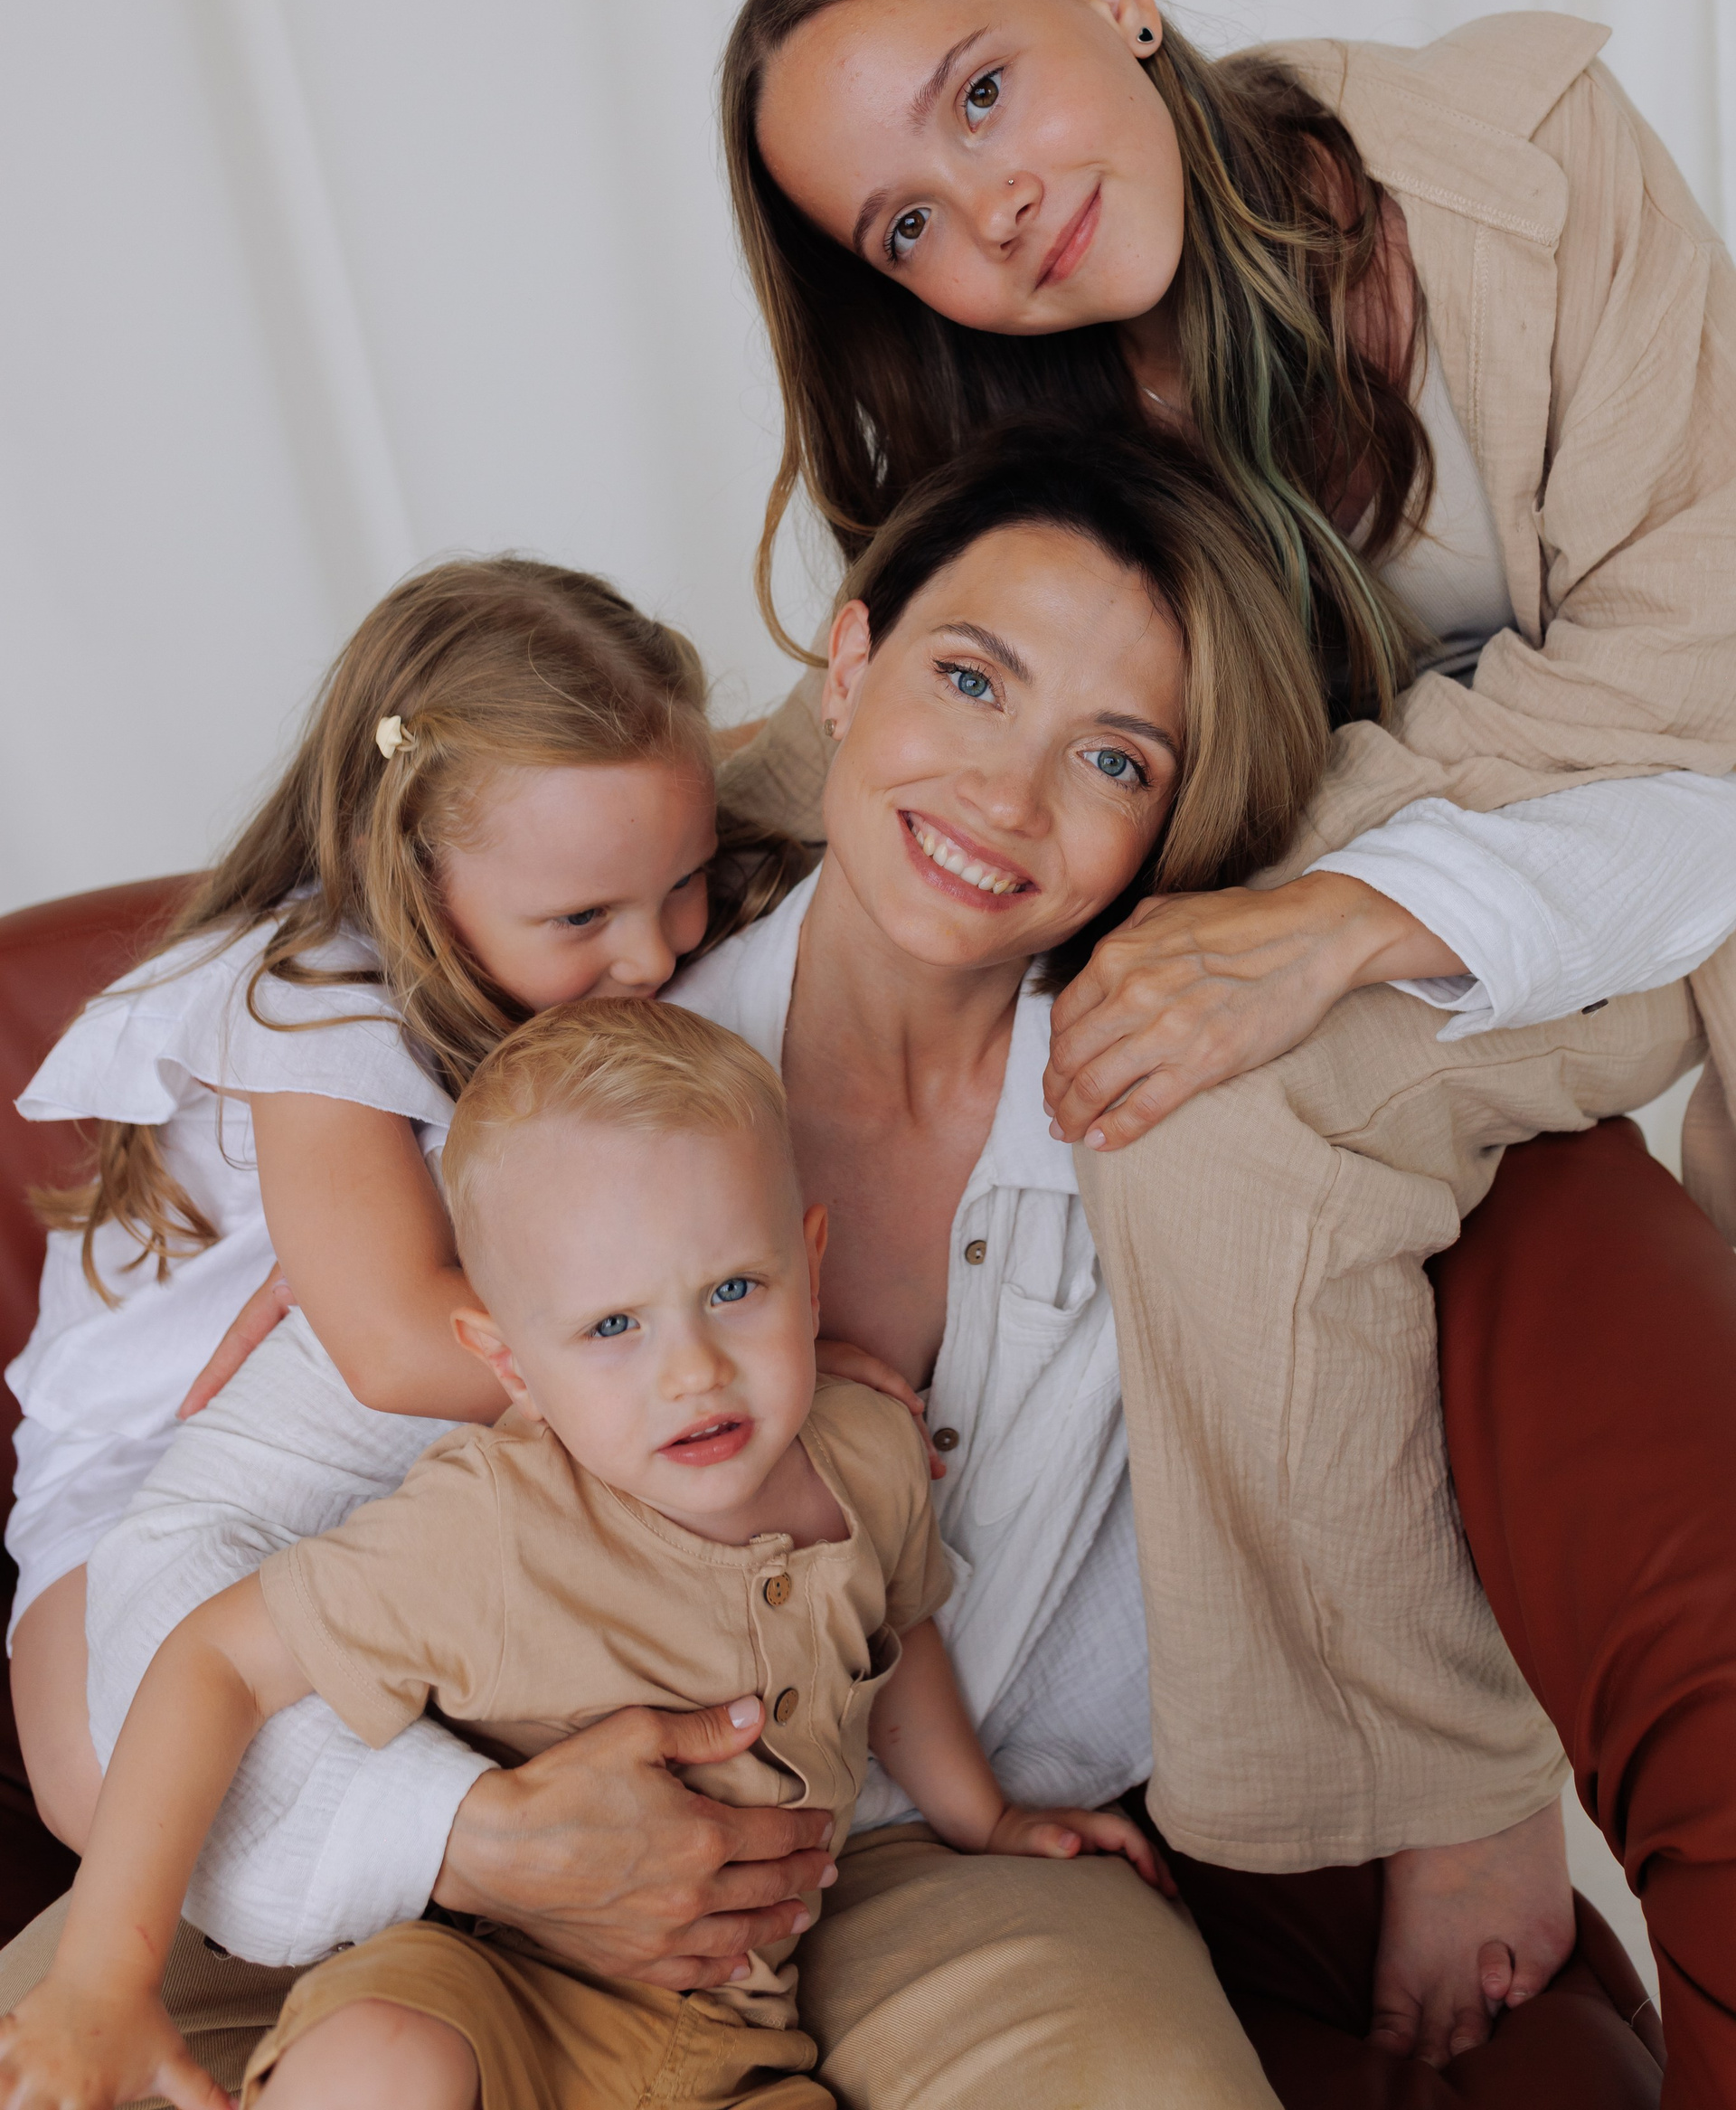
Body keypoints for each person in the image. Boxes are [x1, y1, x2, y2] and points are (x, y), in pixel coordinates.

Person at [715, 0, 1736, 2047]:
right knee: (1188, 1108)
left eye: (982, 93)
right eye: (905, 224)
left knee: (1237, 1065)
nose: (990, 213)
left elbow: (1703, 652)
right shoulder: (1032, 434)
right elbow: (881, 739)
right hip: (1457, 900)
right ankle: (1419, 1792)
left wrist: (1319, 873)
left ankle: (1444, 1797)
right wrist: (458, 834)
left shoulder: (1532, 165)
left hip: (1679, 854)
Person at [5, 431, 1327, 2107]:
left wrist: (1468, 1810)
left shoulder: (1195, 1118)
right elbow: (189, 1604)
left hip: (904, 1858)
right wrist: (475, 1836)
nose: (1007, 795)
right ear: (848, 665)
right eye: (971, 679)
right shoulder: (557, 1093)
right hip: (463, 1875)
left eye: (1116, 758)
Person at [0, 997, 1196, 2110]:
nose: (693, 1370)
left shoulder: (871, 1454)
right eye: (613, 1324)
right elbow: (217, 1659)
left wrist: (986, 1816)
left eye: (734, 1288)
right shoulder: (489, 1521)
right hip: (480, 1982)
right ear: (508, 1362)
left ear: (810, 1265)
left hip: (735, 2036)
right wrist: (106, 1972)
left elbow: (897, 1635)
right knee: (377, 2059)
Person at [5, 554, 799, 1851]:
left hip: (392, 1462)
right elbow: (388, 1345)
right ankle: (461, 1848)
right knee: (104, 1784)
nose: (655, 950)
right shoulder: (313, 994)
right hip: (153, 1459)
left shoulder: (570, 885)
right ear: (408, 875)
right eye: (585, 915)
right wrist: (738, 1357)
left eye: (683, 881)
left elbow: (789, 753)